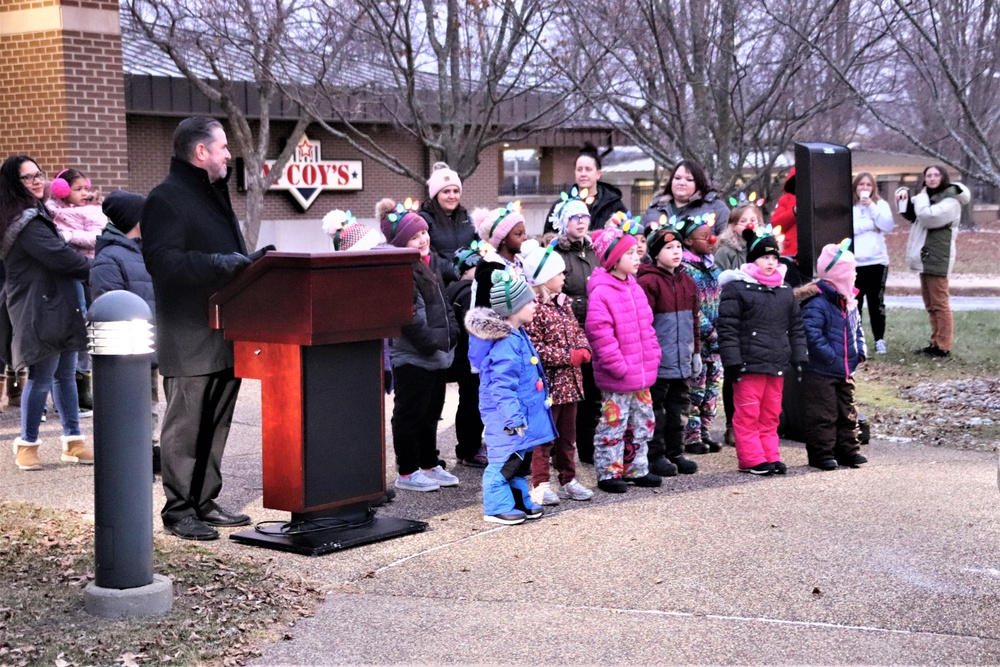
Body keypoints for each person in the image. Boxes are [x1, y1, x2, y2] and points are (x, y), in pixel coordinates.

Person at [142, 117, 254, 540]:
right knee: (185, 426)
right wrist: (221, 265)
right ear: (200, 151)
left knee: (217, 422)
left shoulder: (211, 195)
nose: (229, 154)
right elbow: (163, 262)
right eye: (223, 146)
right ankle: (179, 510)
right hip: (189, 334)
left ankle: (203, 500)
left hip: (225, 330)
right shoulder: (167, 199)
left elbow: (224, 254)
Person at [0, 156, 91, 471]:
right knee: (41, 377)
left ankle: (73, 442)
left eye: (39, 174)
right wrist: (97, 268)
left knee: (65, 375)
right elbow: (59, 257)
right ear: (14, 185)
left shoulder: (38, 214)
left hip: (57, 302)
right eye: (27, 178)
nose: (37, 181)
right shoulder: (24, 222)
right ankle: (26, 444)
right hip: (37, 306)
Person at [379, 198, 461, 492]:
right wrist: (436, 342)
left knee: (431, 412)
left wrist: (451, 333)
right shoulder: (403, 270)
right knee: (410, 413)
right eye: (414, 236)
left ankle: (429, 462)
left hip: (436, 353)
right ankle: (407, 470)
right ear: (402, 243)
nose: (423, 239)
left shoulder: (429, 263)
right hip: (413, 355)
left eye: (424, 232)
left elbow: (444, 304)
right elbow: (411, 318)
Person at [717, 226, 807, 475]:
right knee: (748, 413)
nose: (770, 262)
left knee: (770, 414)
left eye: (774, 257)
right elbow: (728, 329)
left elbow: (795, 327)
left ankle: (770, 454)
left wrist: (799, 355)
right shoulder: (737, 289)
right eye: (764, 257)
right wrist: (732, 361)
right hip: (748, 364)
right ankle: (751, 459)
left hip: (776, 363)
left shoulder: (784, 291)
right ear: (752, 259)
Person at [466, 269, 554, 524]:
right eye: (528, 301)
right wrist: (513, 418)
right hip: (508, 418)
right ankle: (495, 507)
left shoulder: (516, 334)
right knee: (505, 461)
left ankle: (516, 501)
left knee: (519, 459)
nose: (534, 303)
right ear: (514, 308)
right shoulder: (506, 343)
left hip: (521, 414)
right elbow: (502, 387)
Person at [586, 228, 662, 493]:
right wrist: (618, 366)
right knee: (613, 425)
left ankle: (636, 467)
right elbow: (600, 334)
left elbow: (648, 327)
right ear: (613, 260)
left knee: (642, 423)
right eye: (629, 253)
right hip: (618, 376)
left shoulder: (635, 287)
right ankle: (609, 471)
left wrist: (654, 353)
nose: (637, 255)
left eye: (635, 251)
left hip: (641, 374)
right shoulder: (601, 292)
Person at [520, 239, 594, 505]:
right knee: (544, 437)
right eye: (560, 273)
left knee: (567, 436)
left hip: (570, 384)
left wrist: (584, 349)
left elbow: (577, 332)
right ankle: (540, 484)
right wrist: (568, 357)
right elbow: (535, 348)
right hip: (548, 386)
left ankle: (568, 479)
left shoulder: (565, 304)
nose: (565, 277)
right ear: (544, 277)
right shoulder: (534, 308)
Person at [91, 190, 161, 470]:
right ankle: (132, 457)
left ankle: (148, 452)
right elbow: (109, 307)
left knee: (149, 407)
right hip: (126, 356)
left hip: (147, 348)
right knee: (131, 409)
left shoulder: (143, 251)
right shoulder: (110, 258)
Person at [797, 242, 868, 471]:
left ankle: (848, 450)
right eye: (851, 272)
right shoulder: (818, 303)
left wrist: (860, 352)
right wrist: (830, 357)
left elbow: (857, 329)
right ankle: (821, 453)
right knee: (823, 414)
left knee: (847, 412)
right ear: (840, 275)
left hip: (845, 369)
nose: (855, 275)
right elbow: (812, 334)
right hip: (822, 370)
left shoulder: (850, 302)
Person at [637, 224, 702, 477]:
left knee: (679, 408)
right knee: (657, 409)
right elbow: (644, 324)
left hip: (682, 359)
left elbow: (694, 319)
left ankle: (676, 451)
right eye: (668, 247)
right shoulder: (648, 282)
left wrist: (696, 351)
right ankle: (656, 454)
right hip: (659, 360)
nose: (676, 252)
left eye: (678, 247)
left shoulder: (687, 281)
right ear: (655, 253)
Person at [45, 167, 106, 415]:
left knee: (85, 330)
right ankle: (68, 394)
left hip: (88, 274)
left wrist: (71, 234)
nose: (84, 193)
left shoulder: (92, 211)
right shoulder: (51, 214)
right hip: (69, 276)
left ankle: (82, 390)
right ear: (62, 190)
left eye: (85, 188)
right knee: (72, 331)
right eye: (77, 189)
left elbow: (97, 235)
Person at [896, 166, 970, 358]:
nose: (932, 178)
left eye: (936, 175)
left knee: (940, 303)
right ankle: (935, 342)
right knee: (930, 303)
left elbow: (929, 218)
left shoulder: (951, 201)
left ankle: (944, 346)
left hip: (938, 255)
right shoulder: (929, 199)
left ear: (944, 177)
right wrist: (904, 201)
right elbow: (916, 216)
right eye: (928, 175)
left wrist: (919, 198)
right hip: (926, 254)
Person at [549, 192, 600, 464]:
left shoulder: (593, 251)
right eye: (575, 217)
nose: (581, 222)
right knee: (567, 395)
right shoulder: (557, 252)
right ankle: (559, 451)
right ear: (564, 222)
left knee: (591, 393)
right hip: (567, 332)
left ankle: (588, 448)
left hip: (593, 329)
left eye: (584, 216)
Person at [714, 200, 765, 446]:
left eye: (753, 221)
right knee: (735, 372)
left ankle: (755, 422)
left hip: (760, 318)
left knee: (758, 374)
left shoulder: (763, 250)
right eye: (743, 221)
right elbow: (720, 285)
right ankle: (731, 424)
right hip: (737, 318)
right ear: (733, 225)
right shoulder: (725, 252)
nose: (748, 225)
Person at [678, 214, 723, 454]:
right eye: (704, 236)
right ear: (688, 241)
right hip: (699, 341)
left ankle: (705, 430)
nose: (711, 239)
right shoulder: (685, 270)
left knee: (711, 390)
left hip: (715, 344)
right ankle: (691, 435)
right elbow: (692, 308)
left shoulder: (712, 267)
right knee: (695, 389)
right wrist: (710, 331)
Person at [444, 243, 487, 467]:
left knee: (468, 402)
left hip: (459, 358)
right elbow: (471, 325)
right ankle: (469, 449)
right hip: (469, 359)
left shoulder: (451, 289)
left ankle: (468, 447)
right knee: (472, 403)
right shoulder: (468, 291)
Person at [850, 173, 894, 355]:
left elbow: (887, 225)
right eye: (861, 184)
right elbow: (849, 228)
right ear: (855, 187)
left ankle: (879, 339)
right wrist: (870, 225)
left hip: (877, 261)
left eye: (868, 185)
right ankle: (856, 341)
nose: (865, 188)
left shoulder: (881, 205)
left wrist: (873, 209)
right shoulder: (850, 206)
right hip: (855, 263)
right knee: (855, 303)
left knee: (876, 303)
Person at [543, 142, 627, 234]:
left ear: (598, 174)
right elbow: (548, 238)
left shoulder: (613, 205)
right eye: (579, 169)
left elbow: (628, 237)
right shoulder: (561, 205)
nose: (583, 174)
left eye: (588, 169)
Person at [419, 162, 476, 284]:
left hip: (469, 283)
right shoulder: (423, 221)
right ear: (435, 195)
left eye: (456, 191)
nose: (452, 196)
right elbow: (428, 256)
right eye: (446, 192)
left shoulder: (469, 219)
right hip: (439, 285)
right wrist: (457, 272)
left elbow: (479, 248)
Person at [641, 160, 730, 235]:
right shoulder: (654, 208)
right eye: (677, 178)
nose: (682, 183)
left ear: (699, 183)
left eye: (689, 179)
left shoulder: (717, 208)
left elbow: (725, 245)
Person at [470, 202, 527, 308]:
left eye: (524, 233)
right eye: (518, 234)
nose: (525, 238)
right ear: (503, 239)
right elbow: (483, 311)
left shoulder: (522, 265)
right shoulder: (489, 271)